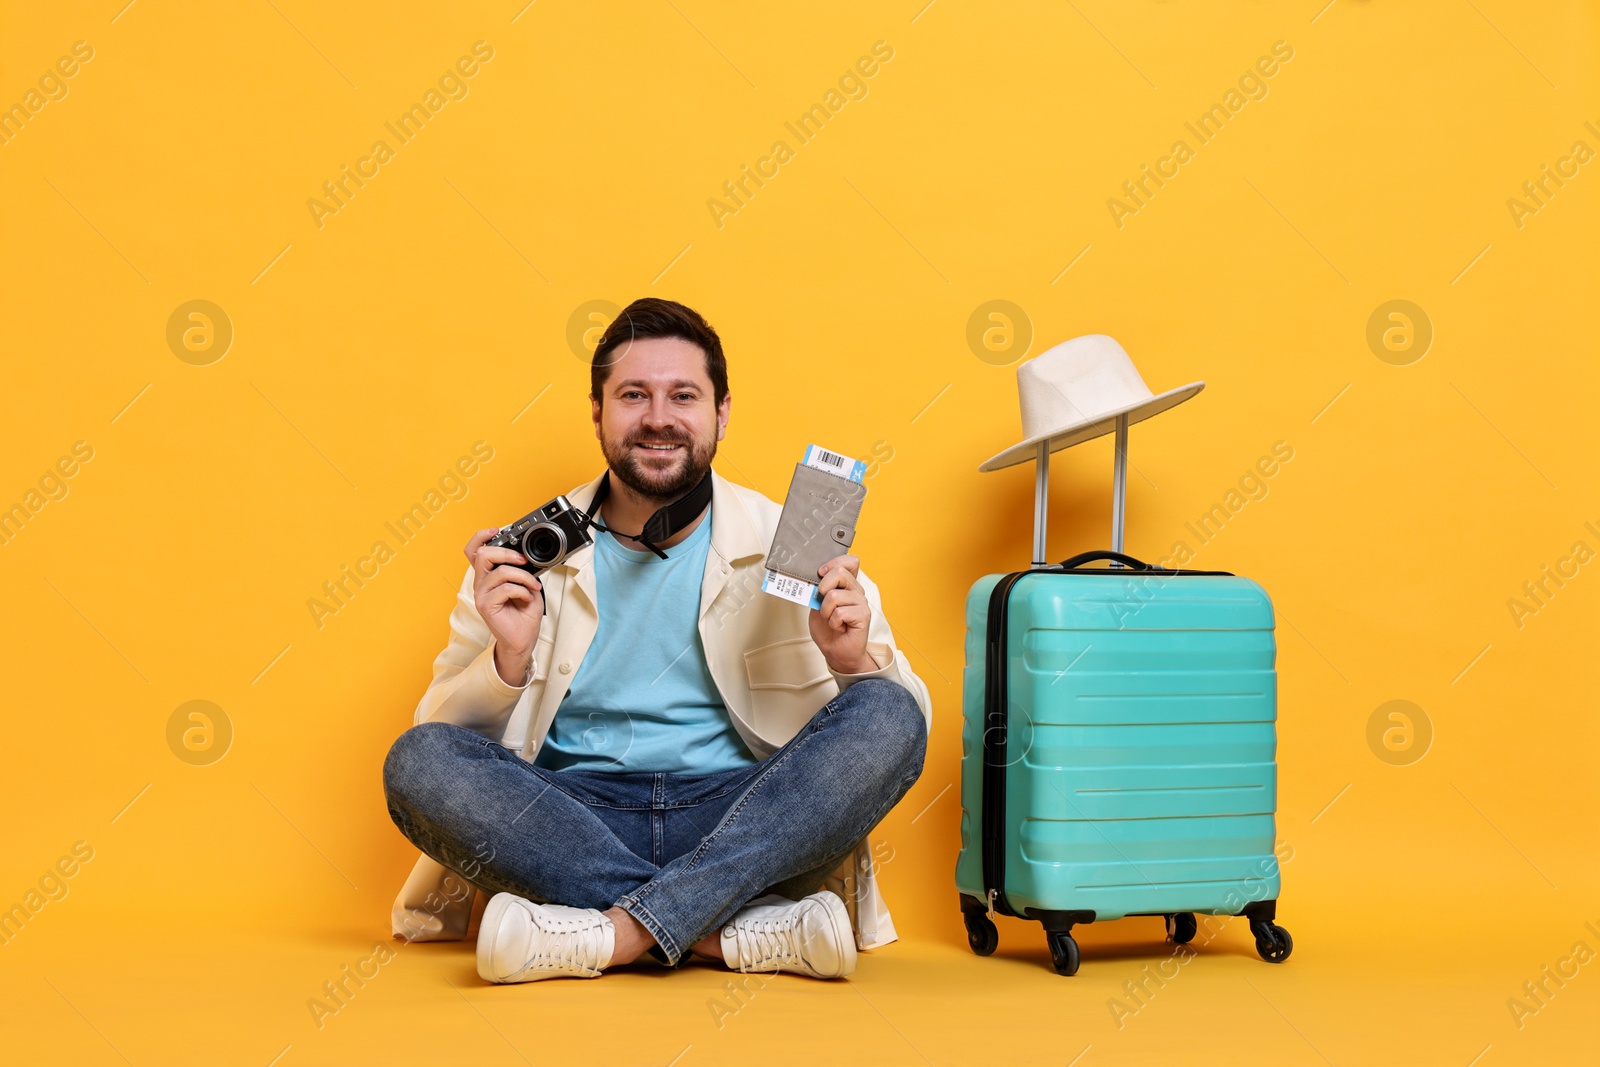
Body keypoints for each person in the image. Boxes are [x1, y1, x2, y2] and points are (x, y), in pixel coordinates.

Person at [382, 297, 930, 984]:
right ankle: (719, 932)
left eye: (683, 396)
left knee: (891, 710)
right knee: (416, 761)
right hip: (570, 821)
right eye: (633, 395)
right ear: (598, 411)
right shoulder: (525, 556)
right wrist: (507, 661)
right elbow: (439, 737)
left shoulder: (785, 540)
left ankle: (614, 933)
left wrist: (853, 664)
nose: (659, 418)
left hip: (743, 818)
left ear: (721, 412)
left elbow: (905, 736)